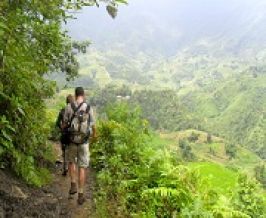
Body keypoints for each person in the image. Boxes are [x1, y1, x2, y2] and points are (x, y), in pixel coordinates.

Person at [62, 87, 96, 205]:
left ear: (75, 95)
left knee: (72, 162)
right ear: (83, 95)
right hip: (84, 142)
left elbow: (64, 125)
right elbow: (93, 126)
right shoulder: (88, 108)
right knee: (82, 167)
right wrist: (94, 136)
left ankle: (73, 184)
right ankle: (81, 194)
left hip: (72, 141)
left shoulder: (68, 107)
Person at [56, 94, 74, 176]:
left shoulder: (62, 110)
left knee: (64, 152)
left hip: (64, 134)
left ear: (66, 102)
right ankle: (72, 169)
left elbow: (57, 123)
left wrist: (61, 128)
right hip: (73, 135)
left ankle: (65, 168)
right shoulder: (76, 111)